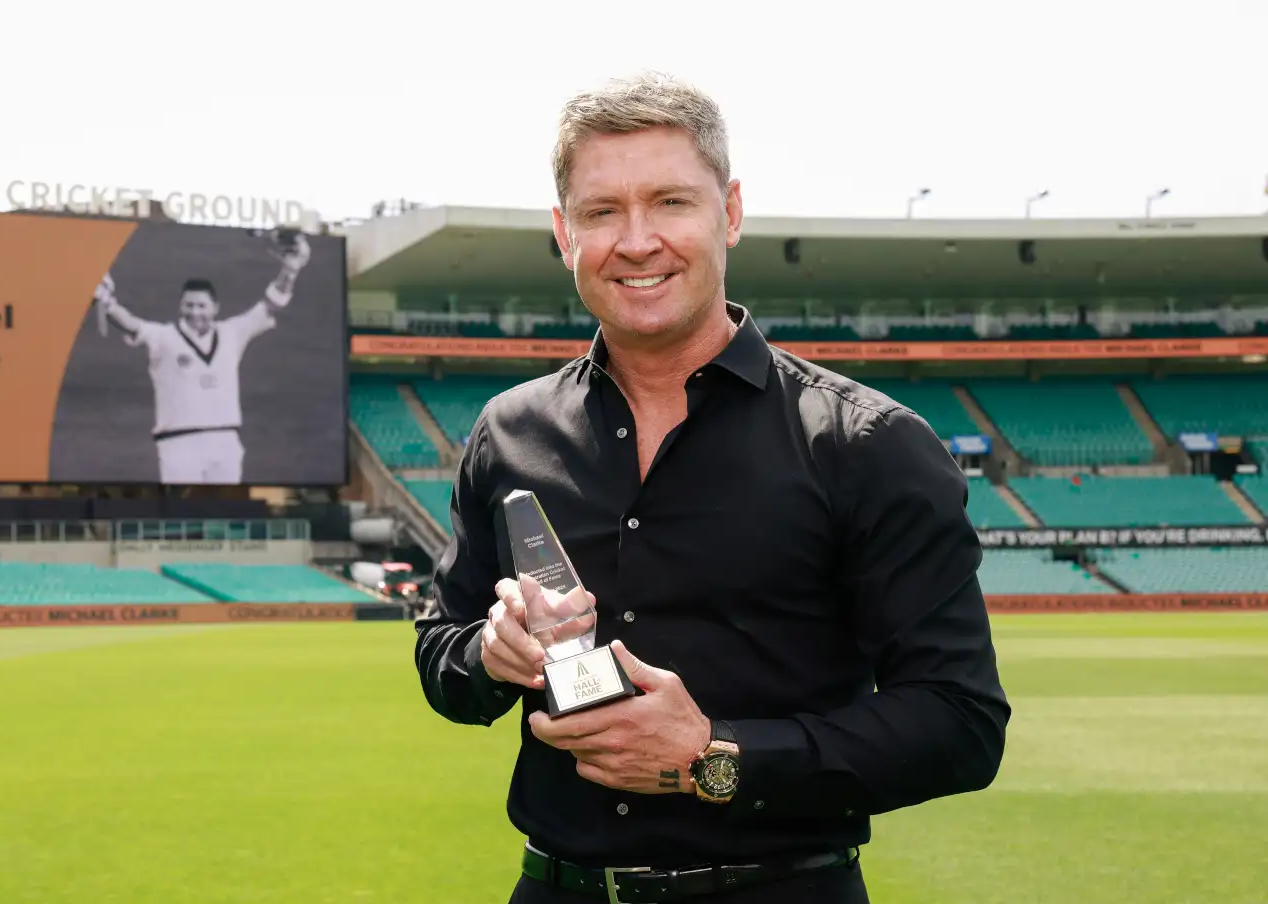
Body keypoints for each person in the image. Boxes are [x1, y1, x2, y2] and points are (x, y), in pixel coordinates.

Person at [413, 72, 1009, 904]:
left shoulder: (867, 444)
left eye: (670, 202)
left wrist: (714, 756)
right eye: (601, 211)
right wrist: (490, 653)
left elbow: (961, 723)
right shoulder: (509, 431)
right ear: (563, 231)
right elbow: (442, 651)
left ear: (729, 212)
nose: (637, 241)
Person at [93, 233, 311, 484]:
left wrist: (290, 270)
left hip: (225, 441)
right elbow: (131, 324)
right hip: (178, 444)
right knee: (185, 506)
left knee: (226, 506)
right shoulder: (163, 336)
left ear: (215, 308)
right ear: (180, 307)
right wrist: (107, 302)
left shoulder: (233, 332)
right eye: (188, 305)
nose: (195, 312)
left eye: (201, 306)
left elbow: (271, 304)